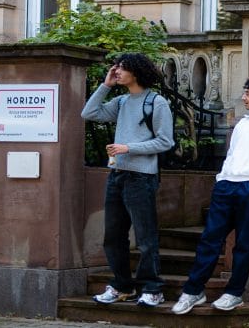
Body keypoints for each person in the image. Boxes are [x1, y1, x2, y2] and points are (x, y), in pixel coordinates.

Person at [172, 77, 249, 315]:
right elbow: (232, 154)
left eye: (248, 94)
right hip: (226, 186)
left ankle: (234, 293)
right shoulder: (242, 124)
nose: (244, 98)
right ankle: (193, 291)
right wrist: (222, 179)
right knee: (210, 239)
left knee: (243, 243)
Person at [82, 53, 173, 308]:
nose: (117, 71)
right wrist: (106, 85)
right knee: (113, 236)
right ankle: (122, 286)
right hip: (117, 175)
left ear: (136, 71)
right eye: (116, 68)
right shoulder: (121, 101)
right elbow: (89, 113)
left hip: (141, 177)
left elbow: (165, 141)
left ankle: (153, 289)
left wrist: (128, 148)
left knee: (145, 237)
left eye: (122, 68)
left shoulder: (156, 102)